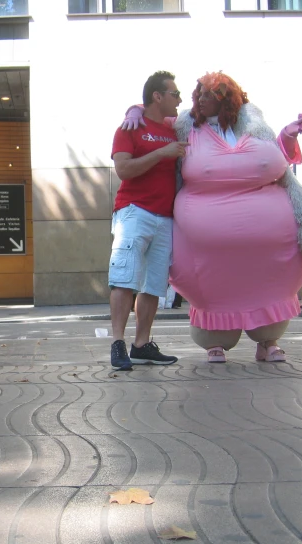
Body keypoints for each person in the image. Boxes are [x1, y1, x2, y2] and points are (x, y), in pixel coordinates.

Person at [121, 71, 302, 364]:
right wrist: (133, 110)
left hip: (266, 251)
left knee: (265, 291)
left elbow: (281, 159)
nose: (200, 99)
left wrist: (289, 134)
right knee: (215, 303)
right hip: (205, 251)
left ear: (226, 100)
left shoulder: (253, 125)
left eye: (208, 95)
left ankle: (268, 340)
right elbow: (151, 114)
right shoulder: (185, 126)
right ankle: (214, 341)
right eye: (198, 94)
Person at [108, 71, 184, 370]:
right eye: (174, 94)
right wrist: (161, 153)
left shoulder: (174, 129)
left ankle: (141, 345)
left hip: (164, 217)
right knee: (124, 279)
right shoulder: (129, 128)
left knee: (153, 286)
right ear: (158, 96)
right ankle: (117, 344)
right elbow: (124, 170)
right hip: (133, 211)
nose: (179, 99)